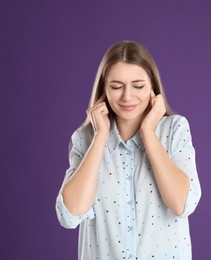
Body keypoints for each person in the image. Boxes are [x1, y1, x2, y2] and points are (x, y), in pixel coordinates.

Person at [55, 40, 201, 260]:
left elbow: (183, 204)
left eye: (138, 85)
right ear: (104, 89)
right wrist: (100, 137)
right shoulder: (84, 139)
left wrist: (148, 133)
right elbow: (70, 215)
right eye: (116, 86)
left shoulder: (175, 130)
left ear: (152, 87)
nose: (127, 96)